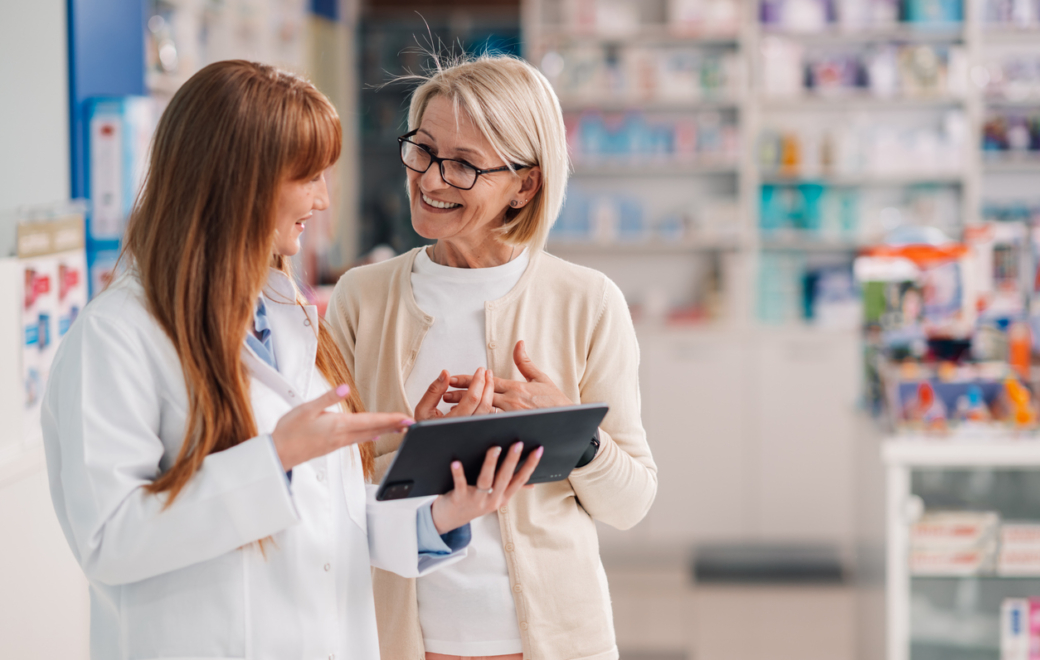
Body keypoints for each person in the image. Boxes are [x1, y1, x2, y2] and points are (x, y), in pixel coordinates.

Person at [40, 60, 539, 660]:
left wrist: (440, 514)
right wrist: (275, 458)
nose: (324, 199)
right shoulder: (117, 336)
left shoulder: (288, 320)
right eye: (307, 177)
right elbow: (107, 541)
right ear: (235, 182)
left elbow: (332, 520)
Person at [325, 54, 658, 660]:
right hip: (398, 637)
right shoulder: (361, 298)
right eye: (422, 150)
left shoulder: (587, 302)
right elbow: (329, 496)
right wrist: (420, 449)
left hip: (554, 642)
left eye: (463, 166)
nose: (429, 180)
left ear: (525, 183)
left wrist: (575, 433)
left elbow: (631, 503)